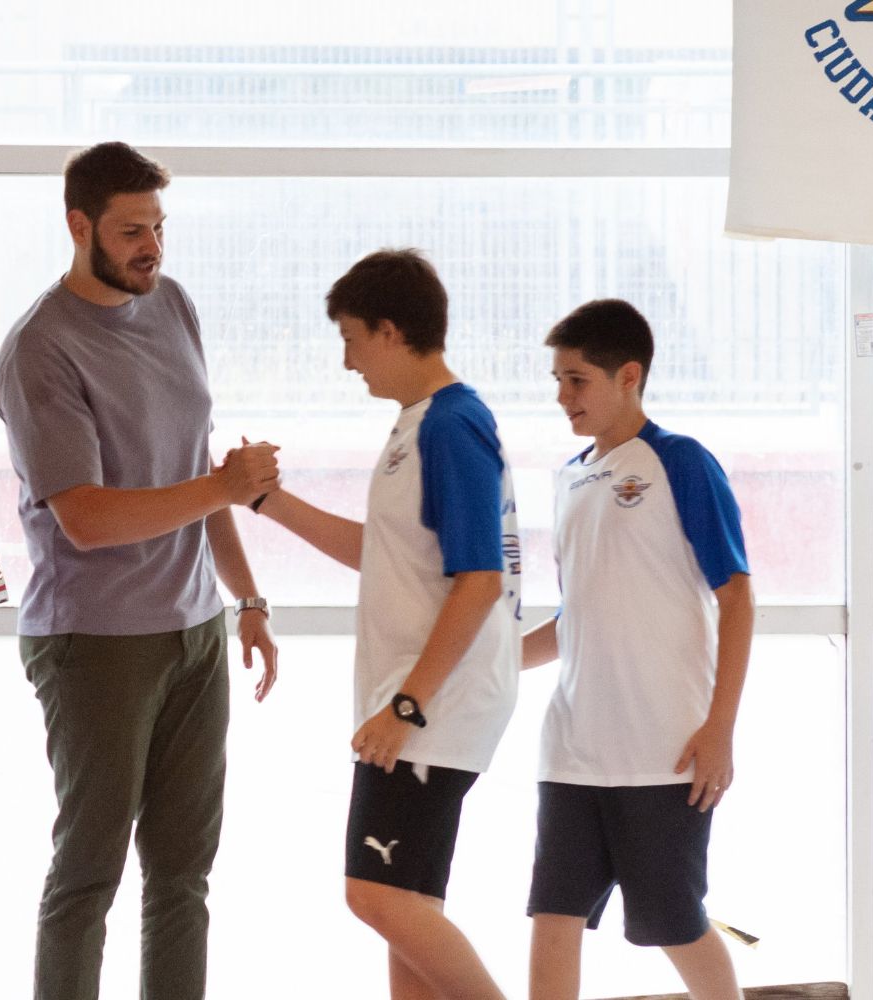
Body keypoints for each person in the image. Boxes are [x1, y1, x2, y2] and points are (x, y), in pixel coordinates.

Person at [0, 141, 279, 1000]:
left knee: (184, 874)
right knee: (90, 873)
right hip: (95, 641)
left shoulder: (173, 306)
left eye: (158, 226)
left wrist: (248, 598)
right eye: (130, 231)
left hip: (195, 631)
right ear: (79, 227)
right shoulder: (40, 349)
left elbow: (195, 474)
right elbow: (85, 515)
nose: (151, 246)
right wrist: (219, 486)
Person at [255, 249, 520, 1000]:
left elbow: (479, 581)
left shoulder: (452, 425)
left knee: (377, 897)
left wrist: (408, 706)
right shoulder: (420, 424)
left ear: (390, 330)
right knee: (406, 919)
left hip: (431, 709)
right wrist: (268, 502)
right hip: (420, 704)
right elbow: (387, 556)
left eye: (350, 338)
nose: (347, 362)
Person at [521, 298, 754, 1000]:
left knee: (672, 923)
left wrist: (720, 729)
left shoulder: (680, 462)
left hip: (666, 752)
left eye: (577, 380)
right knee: (553, 917)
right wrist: (485, 667)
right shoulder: (568, 478)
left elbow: (737, 597)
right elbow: (574, 620)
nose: (563, 397)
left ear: (629, 376)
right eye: (557, 380)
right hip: (572, 751)